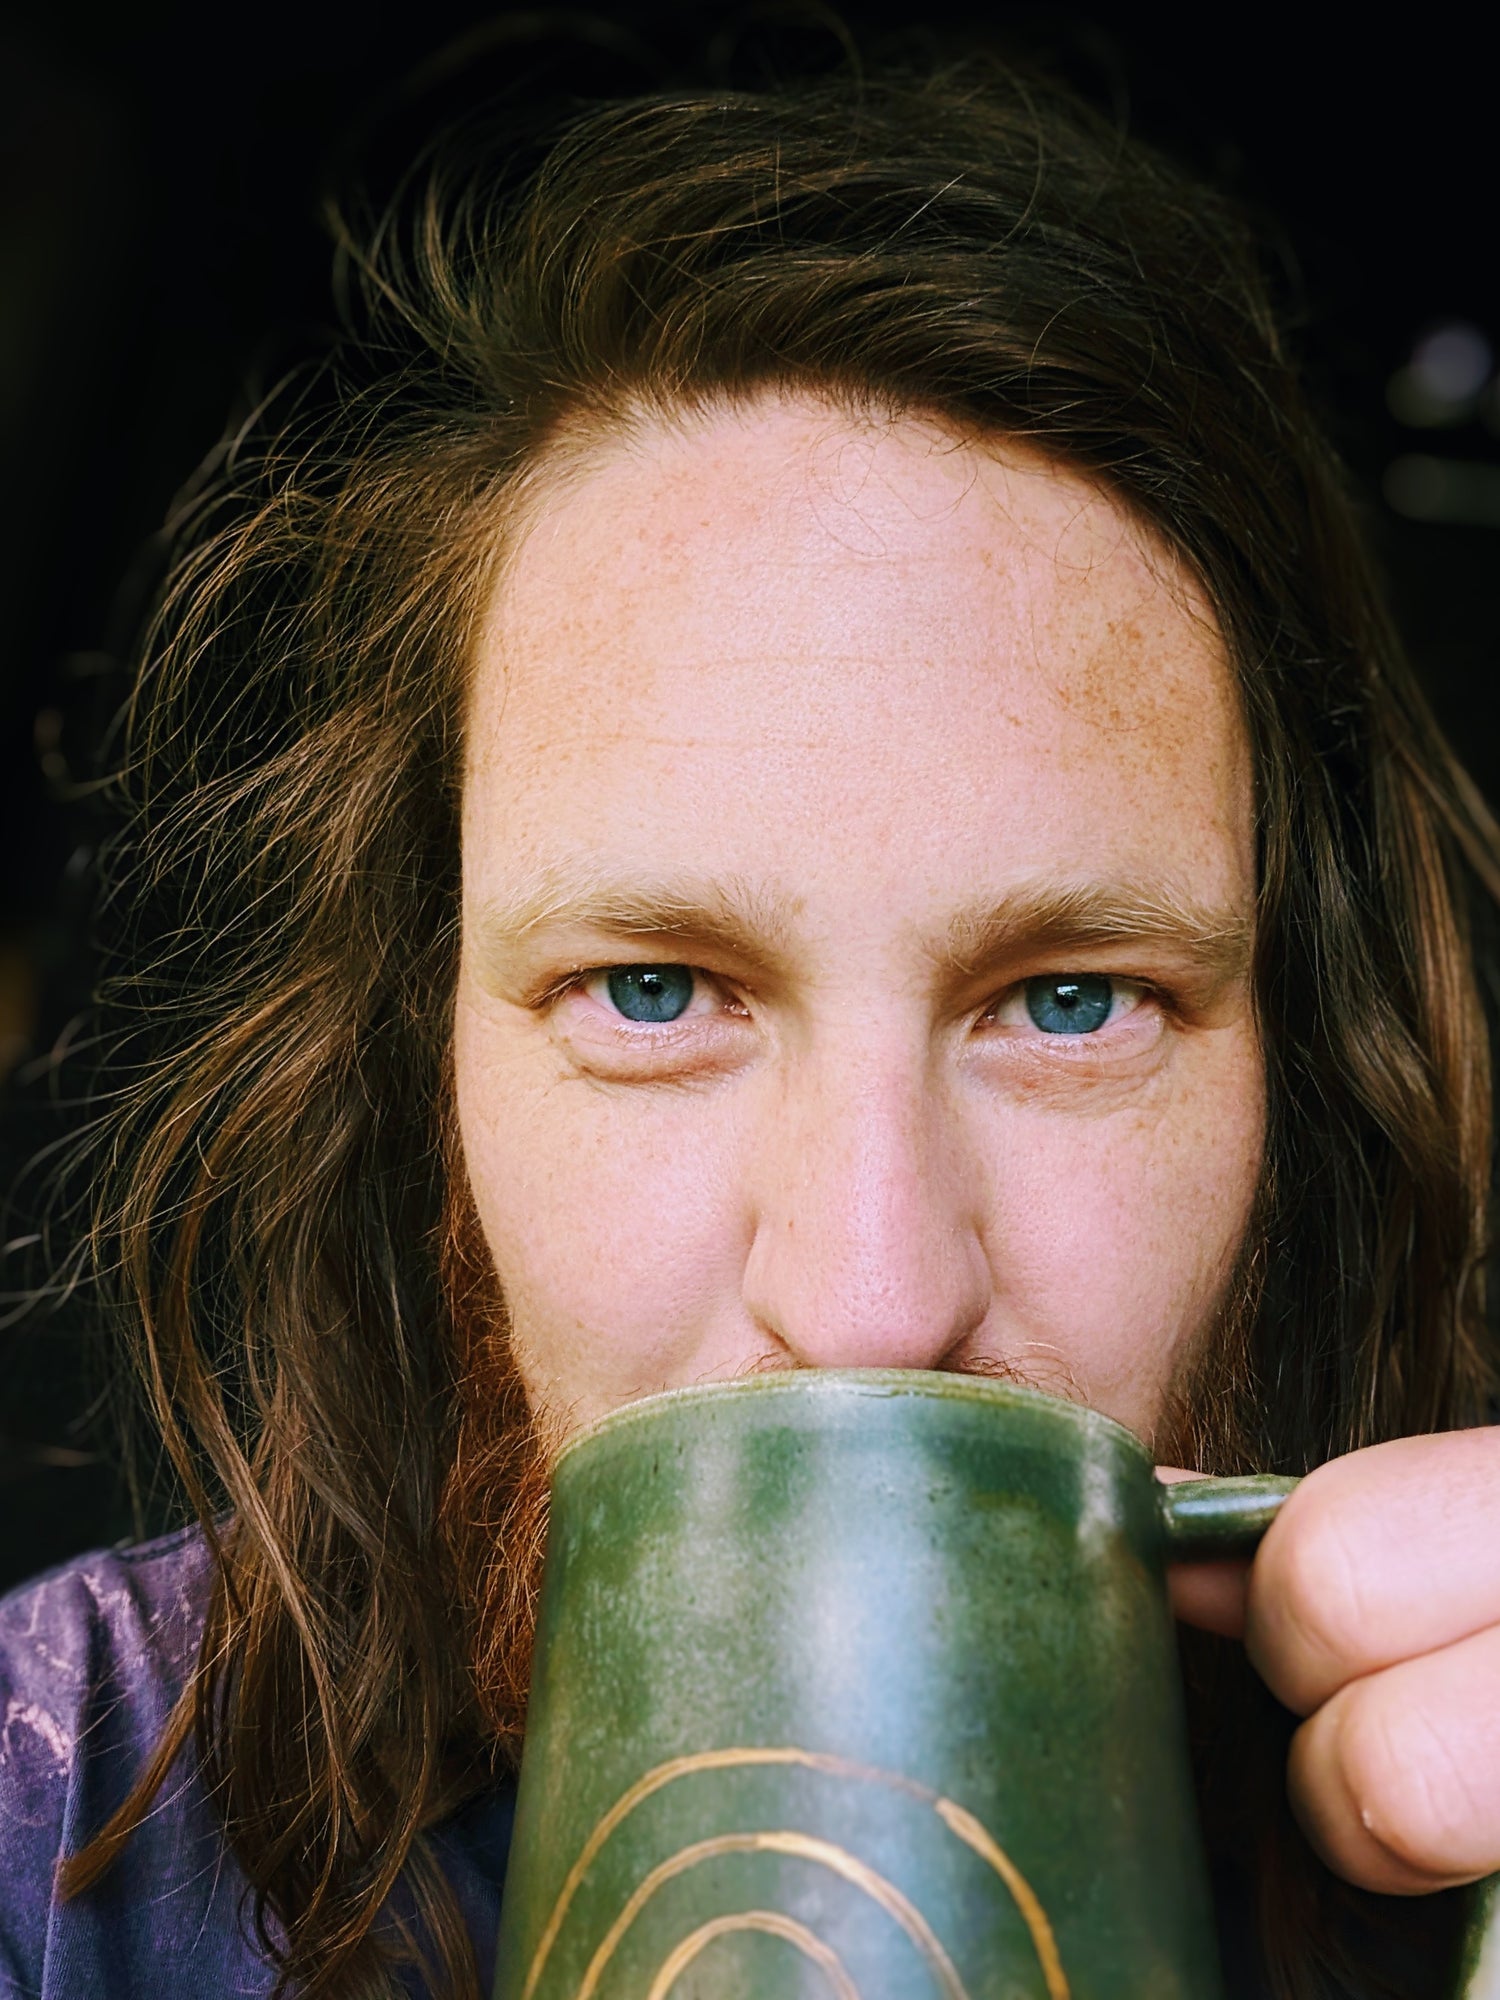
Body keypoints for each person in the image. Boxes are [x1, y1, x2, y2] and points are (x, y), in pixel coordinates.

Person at [2, 43, 1498, 2000]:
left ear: (1292, 1095)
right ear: (428, 1073)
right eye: (652, 990)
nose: (871, 1301)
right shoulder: (48, 1848)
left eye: (1071, 1002)